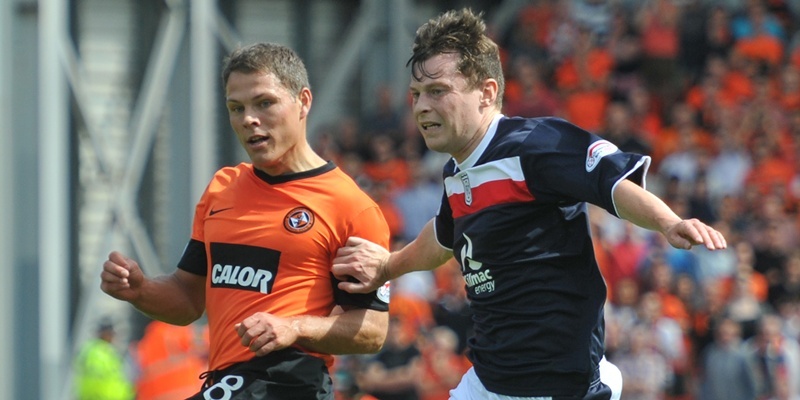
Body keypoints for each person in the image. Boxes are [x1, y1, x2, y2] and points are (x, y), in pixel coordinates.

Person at [332, 8, 727, 400]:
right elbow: (443, 237)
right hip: (487, 380)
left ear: (486, 93)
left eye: (437, 92)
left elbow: (609, 183)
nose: (420, 106)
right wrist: (387, 265)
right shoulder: (456, 170)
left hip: (557, 385)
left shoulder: (535, 144)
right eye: (416, 94)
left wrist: (667, 221)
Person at [100, 42, 392, 399]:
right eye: (236, 108)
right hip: (229, 384)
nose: (248, 119)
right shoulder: (222, 189)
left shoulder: (352, 208)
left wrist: (294, 328)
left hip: (287, 382)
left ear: (303, 101)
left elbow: (372, 331)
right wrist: (141, 290)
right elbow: (188, 301)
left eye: (264, 103)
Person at [73, 320, 135, 400]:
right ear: (105, 334)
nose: (112, 337)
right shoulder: (98, 352)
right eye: (111, 334)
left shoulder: (105, 351)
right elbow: (96, 380)